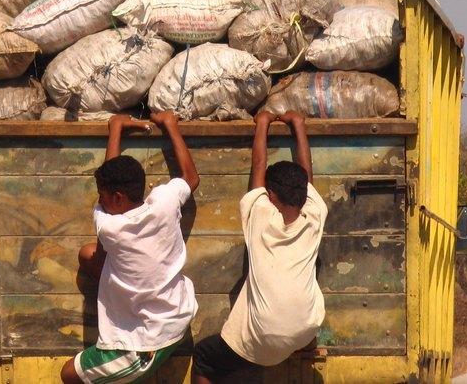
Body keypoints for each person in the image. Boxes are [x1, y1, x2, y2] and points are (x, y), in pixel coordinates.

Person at [60, 111, 200, 384]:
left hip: (144, 345)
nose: (99, 200)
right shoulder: (164, 200)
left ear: (117, 197)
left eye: (102, 196)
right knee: (89, 254)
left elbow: (108, 182)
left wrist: (115, 128)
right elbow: (191, 177)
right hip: (177, 313)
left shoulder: (110, 228)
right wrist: (170, 125)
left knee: (68, 374)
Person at [190, 110, 327, 383]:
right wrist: (298, 124)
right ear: (303, 193)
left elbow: (258, 167)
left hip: (265, 335)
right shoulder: (315, 213)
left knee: (204, 356)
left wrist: (262, 122)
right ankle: (305, 343)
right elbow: (306, 174)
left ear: (271, 196)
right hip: (307, 327)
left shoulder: (262, 218)